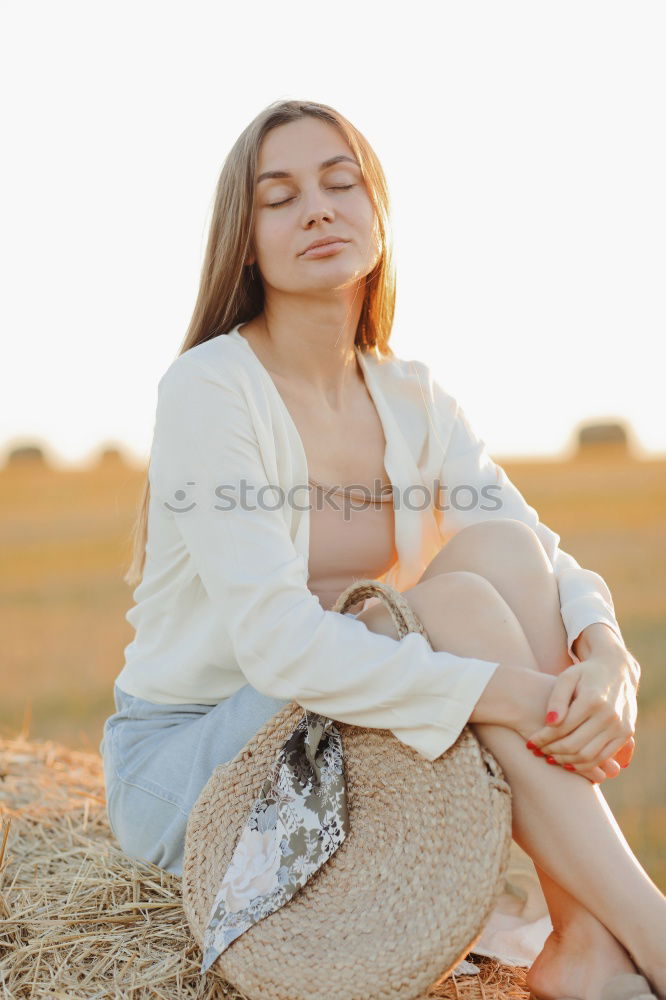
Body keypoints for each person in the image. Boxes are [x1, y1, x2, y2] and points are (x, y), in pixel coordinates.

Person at [99, 99, 665, 999]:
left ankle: (587, 941)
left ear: (378, 212)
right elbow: (280, 645)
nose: (318, 209)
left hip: (341, 726)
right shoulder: (210, 389)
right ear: (246, 242)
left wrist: (606, 653)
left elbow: (537, 549)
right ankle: (652, 933)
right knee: (458, 609)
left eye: (340, 182)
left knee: (501, 558)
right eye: (280, 197)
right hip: (198, 763)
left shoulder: (411, 395)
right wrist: (513, 691)